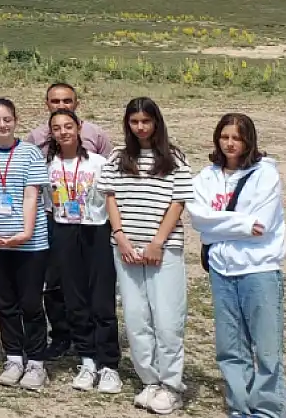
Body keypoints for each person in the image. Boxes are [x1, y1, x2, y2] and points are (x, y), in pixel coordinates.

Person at [190, 113, 286, 418]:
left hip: (259, 269)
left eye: (237, 138)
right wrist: (240, 224)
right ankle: (240, 405)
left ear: (248, 141)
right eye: (225, 137)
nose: (230, 143)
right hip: (221, 270)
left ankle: (268, 409)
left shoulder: (265, 175)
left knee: (267, 346)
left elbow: (262, 225)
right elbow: (199, 221)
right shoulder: (206, 177)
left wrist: (217, 226)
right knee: (230, 345)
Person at [101, 98, 194, 415]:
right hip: (125, 248)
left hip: (163, 250)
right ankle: (150, 381)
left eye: (146, 121)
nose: (140, 127)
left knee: (167, 320)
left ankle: (171, 385)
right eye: (134, 121)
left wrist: (157, 242)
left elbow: (178, 203)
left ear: (156, 122)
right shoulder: (117, 157)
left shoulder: (174, 157)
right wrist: (119, 236)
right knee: (137, 318)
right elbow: (110, 197)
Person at [0, 98, 51, 390]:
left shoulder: (29, 153)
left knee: (30, 302)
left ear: (16, 119)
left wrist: (26, 232)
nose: (2, 125)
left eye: (7, 119)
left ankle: (37, 362)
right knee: (4, 302)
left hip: (31, 243)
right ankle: (14, 357)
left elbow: (32, 196)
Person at [25, 81, 111, 361]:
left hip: (92, 221)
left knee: (93, 282)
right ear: (46, 104)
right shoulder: (35, 137)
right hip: (54, 218)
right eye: (55, 101)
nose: (61, 105)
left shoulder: (96, 135)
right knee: (56, 279)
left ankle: (96, 340)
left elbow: (109, 179)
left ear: (77, 102)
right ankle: (62, 335)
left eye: (67, 101)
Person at [42, 108, 121, 394]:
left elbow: (112, 201)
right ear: (51, 132)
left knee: (101, 299)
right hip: (64, 230)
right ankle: (87, 360)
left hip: (96, 230)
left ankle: (109, 364)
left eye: (68, 126)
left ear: (79, 128)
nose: (63, 132)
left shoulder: (99, 163)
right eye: (57, 127)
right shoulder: (48, 165)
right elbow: (47, 203)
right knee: (74, 299)